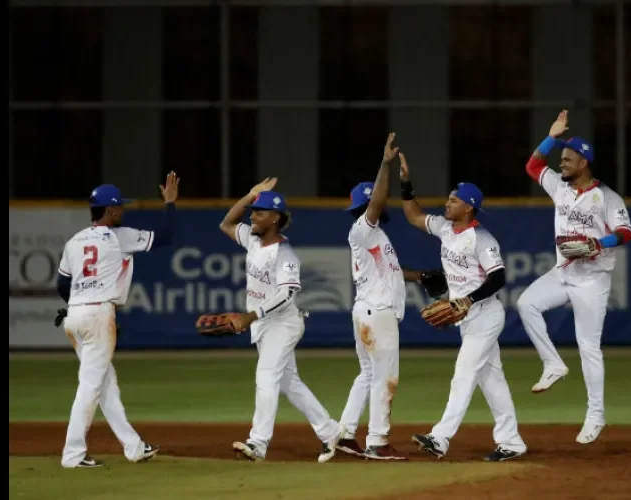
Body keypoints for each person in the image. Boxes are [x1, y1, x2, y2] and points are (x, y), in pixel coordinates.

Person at [397, 153, 528, 462]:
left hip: (485, 315)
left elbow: (499, 277)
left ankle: (440, 438)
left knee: (464, 373)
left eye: (454, 200)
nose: (447, 203)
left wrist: (468, 299)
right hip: (466, 318)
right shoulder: (444, 228)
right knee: (491, 379)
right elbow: (414, 216)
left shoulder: (482, 238)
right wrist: (405, 184)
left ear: (468, 207)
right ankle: (511, 441)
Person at [517, 109, 631, 444]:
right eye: (562, 158)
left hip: (593, 279)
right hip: (564, 272)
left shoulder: (607, 198)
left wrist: (599, 242)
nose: (562, 163)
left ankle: (595, 415)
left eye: (568, 159)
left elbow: (626, 232)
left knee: (588, 346)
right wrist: (551, 136)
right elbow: (532, 166)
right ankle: (553, 364)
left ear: (583, 162)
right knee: (527, 304)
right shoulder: (560, 187)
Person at [55, 172, 180, 468]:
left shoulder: (75, 241)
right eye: (119, 207)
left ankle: (134, 447)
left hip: (75, 315)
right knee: (90, 385)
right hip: (98, 315)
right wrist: (171, 204)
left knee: (106, 384)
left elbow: (62, 284)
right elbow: (165, 236)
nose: (122, 210)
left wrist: (77, 304)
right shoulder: (118, 236)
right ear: (110, 211)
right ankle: (73, 454)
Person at [219, 178, 345, 463]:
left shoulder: (285, 254)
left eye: (259, 212)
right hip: (265, 324)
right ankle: (330, 431)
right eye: (253, 210)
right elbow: (226, 224)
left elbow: (286, 294)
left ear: (275, 218)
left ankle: (258, 442)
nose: (252, 215)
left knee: (266, 376)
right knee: (290, 383)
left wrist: (250, 315)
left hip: (284, 324)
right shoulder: (252, 239)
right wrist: (250, 194)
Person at [335, 133, 444, 461]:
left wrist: (420, 276)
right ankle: (378, 441)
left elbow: (391, 270)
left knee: (368, 374)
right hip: (377, 313)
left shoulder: (375, 236)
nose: (374, 207)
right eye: (370, 204)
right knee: (385, 376)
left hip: (368, 312)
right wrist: (385, 164)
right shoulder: (362, 228)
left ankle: (343, 434)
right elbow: (378, 203)